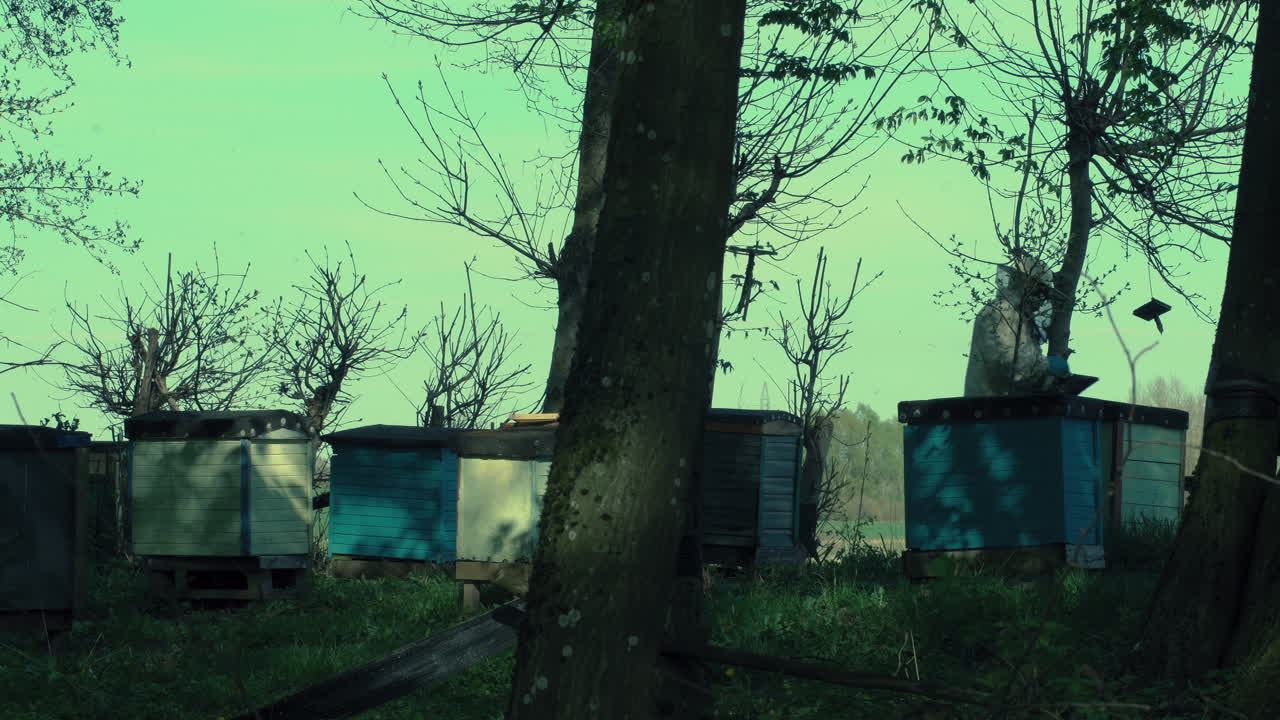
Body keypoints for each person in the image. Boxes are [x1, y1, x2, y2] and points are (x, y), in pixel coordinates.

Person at [963, 251, 1056, 396]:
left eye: (1045, 295)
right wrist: (1051, 366)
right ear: (1025, 286)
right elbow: (1017, 366)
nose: (1042, 300)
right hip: (990, 411)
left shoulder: (1020, 319)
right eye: (1040, 292)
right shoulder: (1001, 313)